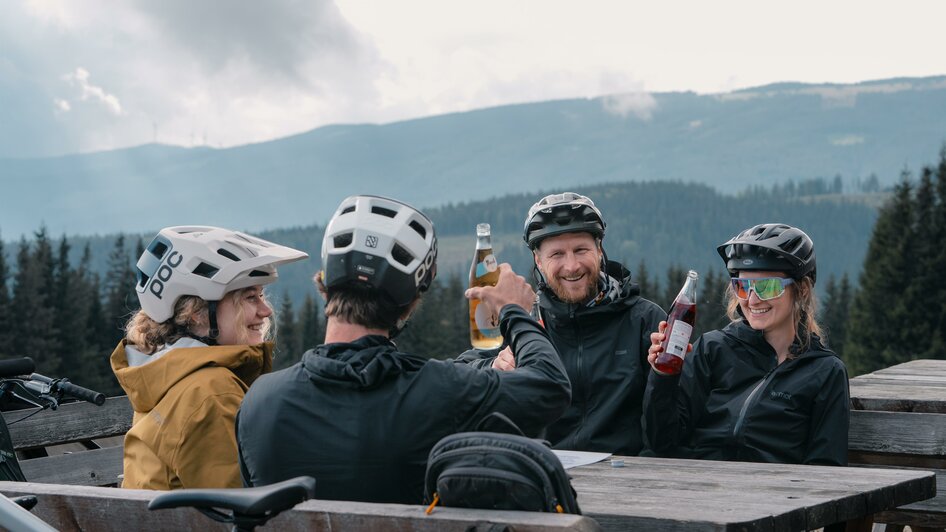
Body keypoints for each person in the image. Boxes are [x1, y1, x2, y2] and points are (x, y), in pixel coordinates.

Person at [236, 195, 571, 503]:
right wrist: (515, 310)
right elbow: (550, 386)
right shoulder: (440, 391)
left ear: (324, 288)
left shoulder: (260, 401)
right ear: (410, 303)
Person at [459, 192, 665, 455]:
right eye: (556, 254)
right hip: (546, 474)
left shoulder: (645, 321)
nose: (571, 266)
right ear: (538, 261)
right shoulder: (524, 321)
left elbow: (670, 428)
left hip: (631, 478)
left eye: (581, 250)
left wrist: (665, 377)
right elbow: (460, 373)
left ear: (599, 250)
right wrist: (491, 366)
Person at [111, 226, 308, 490]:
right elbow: (241, 509)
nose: (266, 310)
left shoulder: (165, 373)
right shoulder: (210, 393)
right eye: (250, 297)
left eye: (261, 295)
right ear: (197, 312)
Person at [643, 223, 850, 465]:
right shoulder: (713, 349)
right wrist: (663, 377)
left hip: (773, 497)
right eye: (742, 287)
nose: (752, 299)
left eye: (767, 287)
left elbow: (825, 467)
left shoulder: (824, 372)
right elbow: (661, 442)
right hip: (697, 489)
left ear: (802, 290)